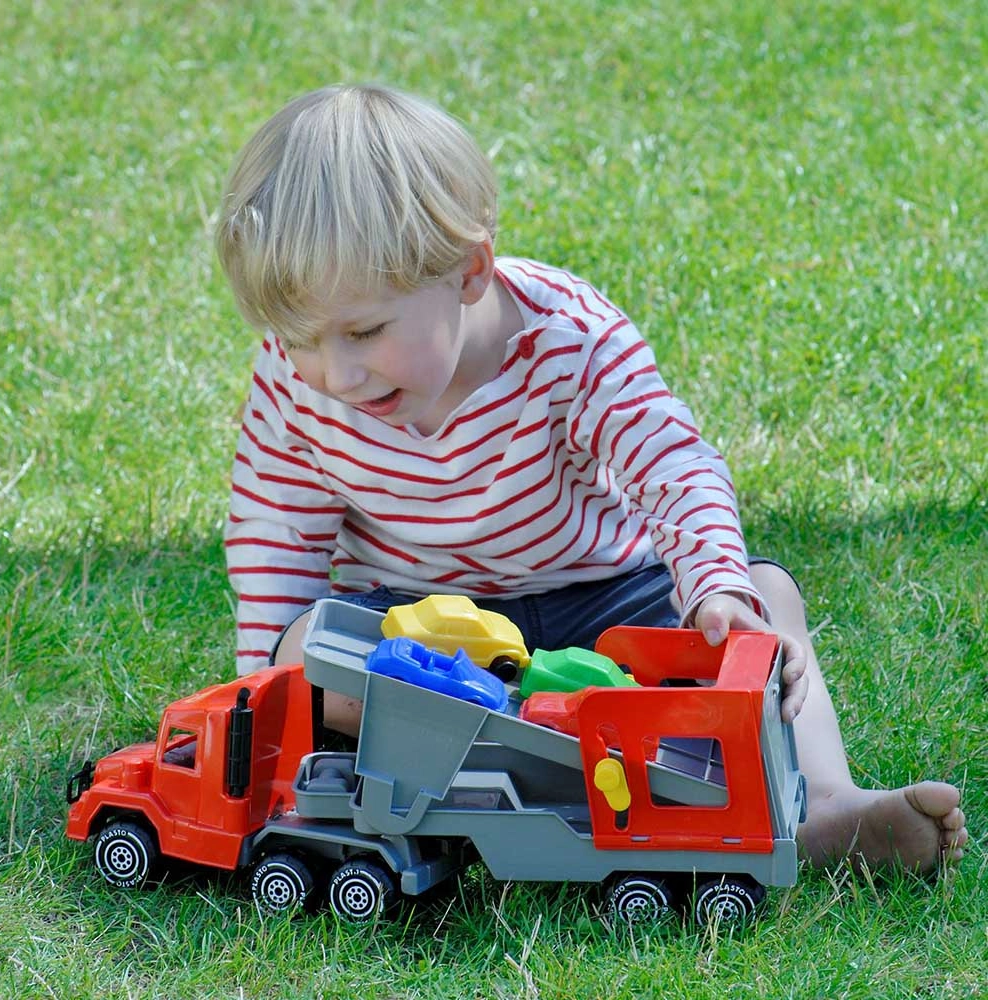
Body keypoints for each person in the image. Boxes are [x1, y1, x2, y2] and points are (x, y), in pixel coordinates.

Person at [214, 83, 966, 874]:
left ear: (469, 271)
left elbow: (673, 465)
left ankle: (826, 807)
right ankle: (524, 752)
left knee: (762, 599)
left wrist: (714, 587)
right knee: (304, 650)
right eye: (300, 337)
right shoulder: (293, 383)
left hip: (599, 599)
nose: (336, 374)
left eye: (364, 331)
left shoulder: (569, 338)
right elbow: (276, 527)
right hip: (425, 637)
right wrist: (259, 701)